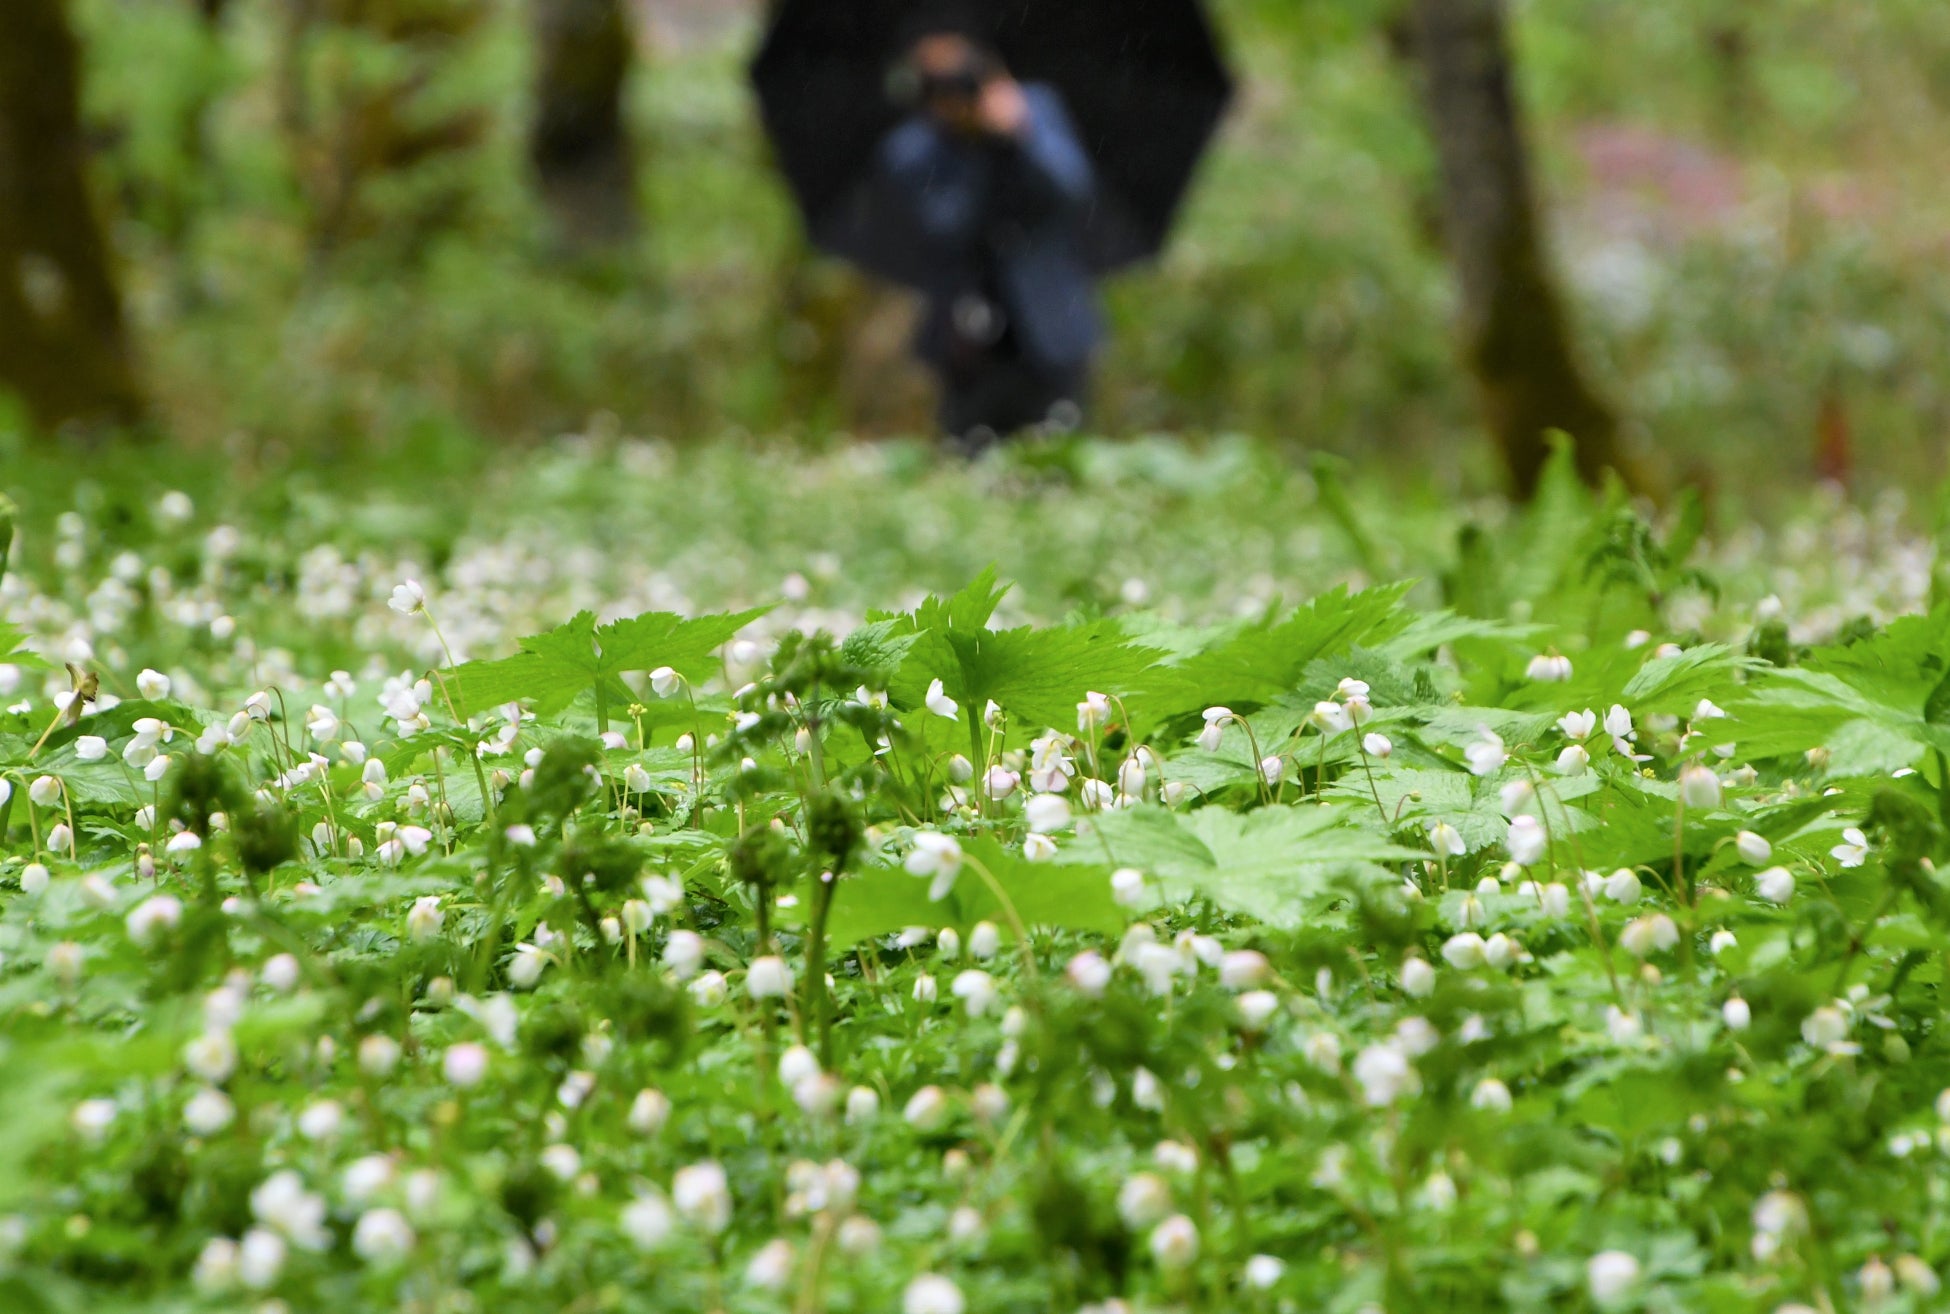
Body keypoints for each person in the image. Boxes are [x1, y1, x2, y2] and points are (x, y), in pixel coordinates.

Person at [877, 13, 1100, 451]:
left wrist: (1019, 135)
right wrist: (974, 146)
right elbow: (945, 227)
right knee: (969, 453)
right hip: (967, 338)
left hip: (1050, 325)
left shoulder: (1036, 110)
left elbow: (1073, 189)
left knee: (1058, 452)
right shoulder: (913, 150)